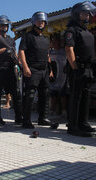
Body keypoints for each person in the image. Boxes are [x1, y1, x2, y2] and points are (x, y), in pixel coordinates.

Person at [64, 1, 96, 136]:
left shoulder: (86, 30)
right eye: (84, 13)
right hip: (78, 68)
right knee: (76, 97)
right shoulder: (72, 30)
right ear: (77, 15)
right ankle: (73, 126)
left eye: (89, 13)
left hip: (88, 68)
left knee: (86, 96)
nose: (87, 16)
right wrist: (75, 68)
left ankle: (83, 123)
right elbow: (69, 49)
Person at [19, 12, 53, 129]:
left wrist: (50, 69)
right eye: (39, 21)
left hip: (44, 70)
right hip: (32, 69)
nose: (41, 23)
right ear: (34, 22)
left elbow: (47, 55)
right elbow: (21, 52)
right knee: (30, 95)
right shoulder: (27, 36)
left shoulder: (46, 38)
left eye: (43, 21)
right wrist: (25, 67)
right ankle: (26, 120)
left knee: (45, 94)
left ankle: (43, 118)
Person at [0, 15, 22, 125]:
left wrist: (18, 63)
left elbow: (15, 53)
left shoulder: (11, 40)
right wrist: (3, 50)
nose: (5, 27)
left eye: (6, 25)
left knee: (16, 94)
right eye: (2, 25)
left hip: (10, 69)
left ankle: (18, 117)